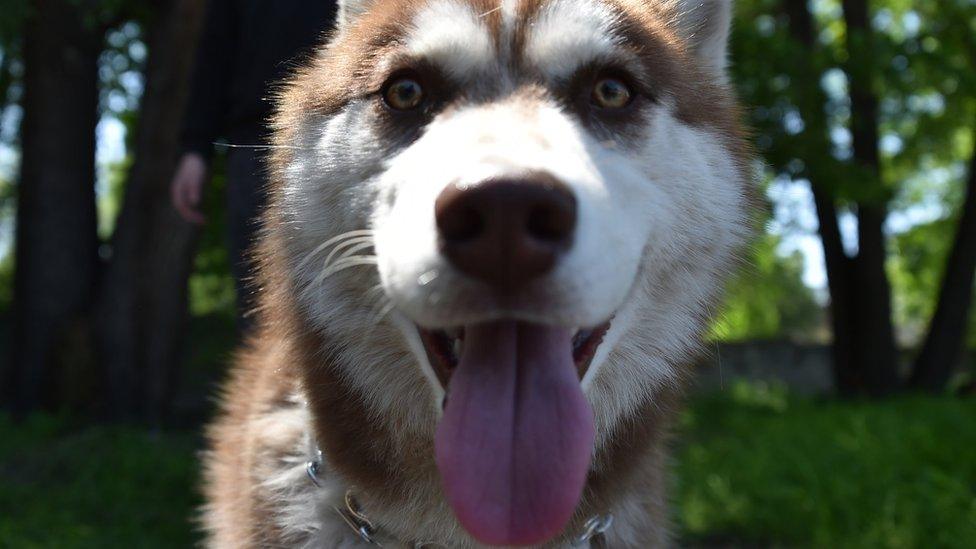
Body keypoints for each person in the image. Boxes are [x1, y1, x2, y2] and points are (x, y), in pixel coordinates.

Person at [171, 0, 338, 332]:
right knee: (261, 309)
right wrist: (195, 147)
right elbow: (214, 54)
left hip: (340, 130)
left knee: (344, 291)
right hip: (253, 144)